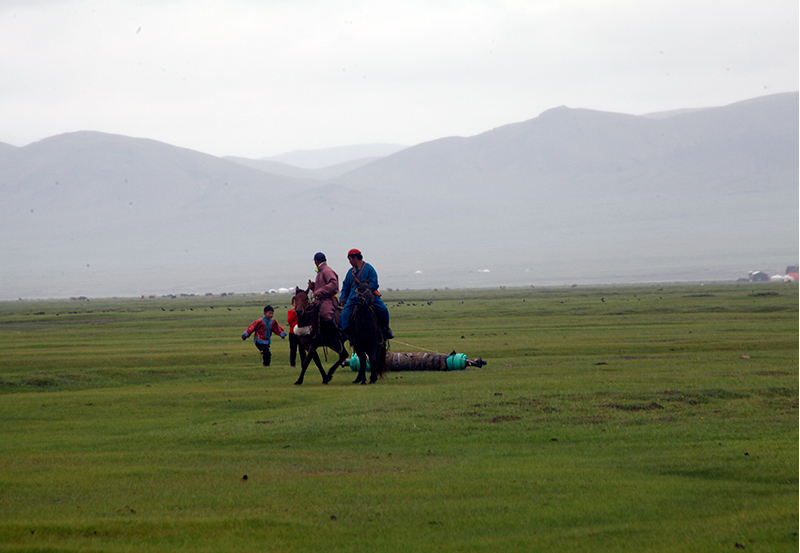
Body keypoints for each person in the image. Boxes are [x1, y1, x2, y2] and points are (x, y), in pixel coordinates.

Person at [339, 248, 393, 340]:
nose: (350, 262)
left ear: (355, 258)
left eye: (350, 259)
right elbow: (346, 286)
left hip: (369, 297)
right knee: (344, 315)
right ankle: (348, 335)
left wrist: (363, 290)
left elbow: (374, 283)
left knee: (383, 310)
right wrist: (343, 299)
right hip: (354, 298)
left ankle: (386, 329)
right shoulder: (350, 272)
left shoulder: (369, 269)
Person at [307, 252, 342, 346]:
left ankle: (337, 336)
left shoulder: (327, 270)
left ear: (316, 261)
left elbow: (333, 284)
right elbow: (322, 287)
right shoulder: (320, 272)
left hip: (329, 300)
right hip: (320, 300)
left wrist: (319, 291)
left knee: (325, 315)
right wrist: (313, 287)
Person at [287, 296, 307, 367]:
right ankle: (292, 365)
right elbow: (289, 320)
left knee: (302, 350)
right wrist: (294, 312)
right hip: (292, 333)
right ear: (292, 304)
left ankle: (304, 364)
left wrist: (291, 324)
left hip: (300, 333)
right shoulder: (290, 312)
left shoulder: (302, 312)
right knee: (293, 350)